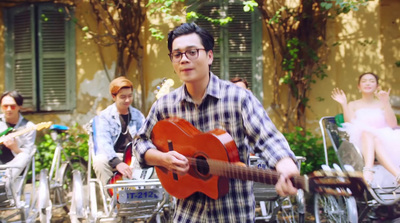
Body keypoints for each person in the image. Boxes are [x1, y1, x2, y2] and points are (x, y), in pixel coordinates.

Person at [134, 22, 299, 222]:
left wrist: (287, 169)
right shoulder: (165, 105)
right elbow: (140, 142)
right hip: (187, 215)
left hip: (233, 214)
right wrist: (162, 159)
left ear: (210, 56)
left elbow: (268, 138)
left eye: (192, 52)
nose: (184, 59)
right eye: (177, 55)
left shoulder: (239, 98)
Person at [331, 72, 400, 185]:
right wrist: (344, 103)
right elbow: (349, 124)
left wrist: (386, 102)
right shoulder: (353, 104)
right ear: (359, 86)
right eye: (364, 81)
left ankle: (369, 171)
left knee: (376, 138)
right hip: (362, 142)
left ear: (377, 86)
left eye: (372, 81)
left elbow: (392, 124)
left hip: (385, 141)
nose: (368, 83)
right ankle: (394, 174)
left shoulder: (382, 104)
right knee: (367, 133)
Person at [92, 76, 145, 186]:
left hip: (134, 157)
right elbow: (103, 144)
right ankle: (113, 198)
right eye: (123, 97)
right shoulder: (104, 116)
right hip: (114, 156)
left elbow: (145, 139)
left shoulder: (138, 115)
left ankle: (146, 197)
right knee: (99, 162)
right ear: (113, 96)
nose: (127, 100)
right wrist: (117, 163)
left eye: (130, 96)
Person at [0, 90, 36, 180]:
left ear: (19, 107)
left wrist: (15, 148)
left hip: (14, 168)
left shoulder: (29, 127)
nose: (8, 109)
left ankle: (5, 180)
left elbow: (27, 154)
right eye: (5, 106)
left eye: (12, 106)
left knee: (24, 156)